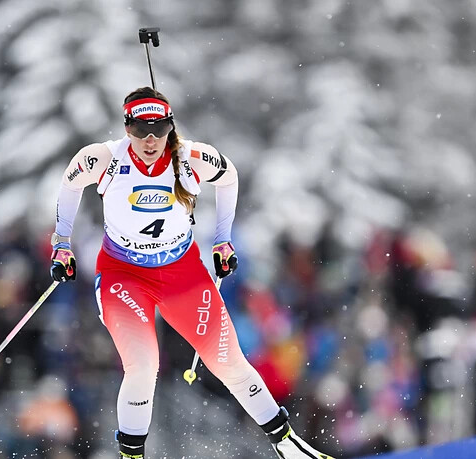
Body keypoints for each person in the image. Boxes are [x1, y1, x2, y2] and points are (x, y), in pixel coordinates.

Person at [49, 87, 334, 459]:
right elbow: (70, 184)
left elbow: (229, 177)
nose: (150, 139)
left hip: (182, 273)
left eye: (159, 128)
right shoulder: (102, 159)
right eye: (140, 129)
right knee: (144, 364)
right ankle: (131, 456)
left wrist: (223, 240)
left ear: (170, 126)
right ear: (127, 127)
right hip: (124, 275)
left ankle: (287, 444)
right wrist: (62, 242)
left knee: (229, 362)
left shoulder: (190, 158)